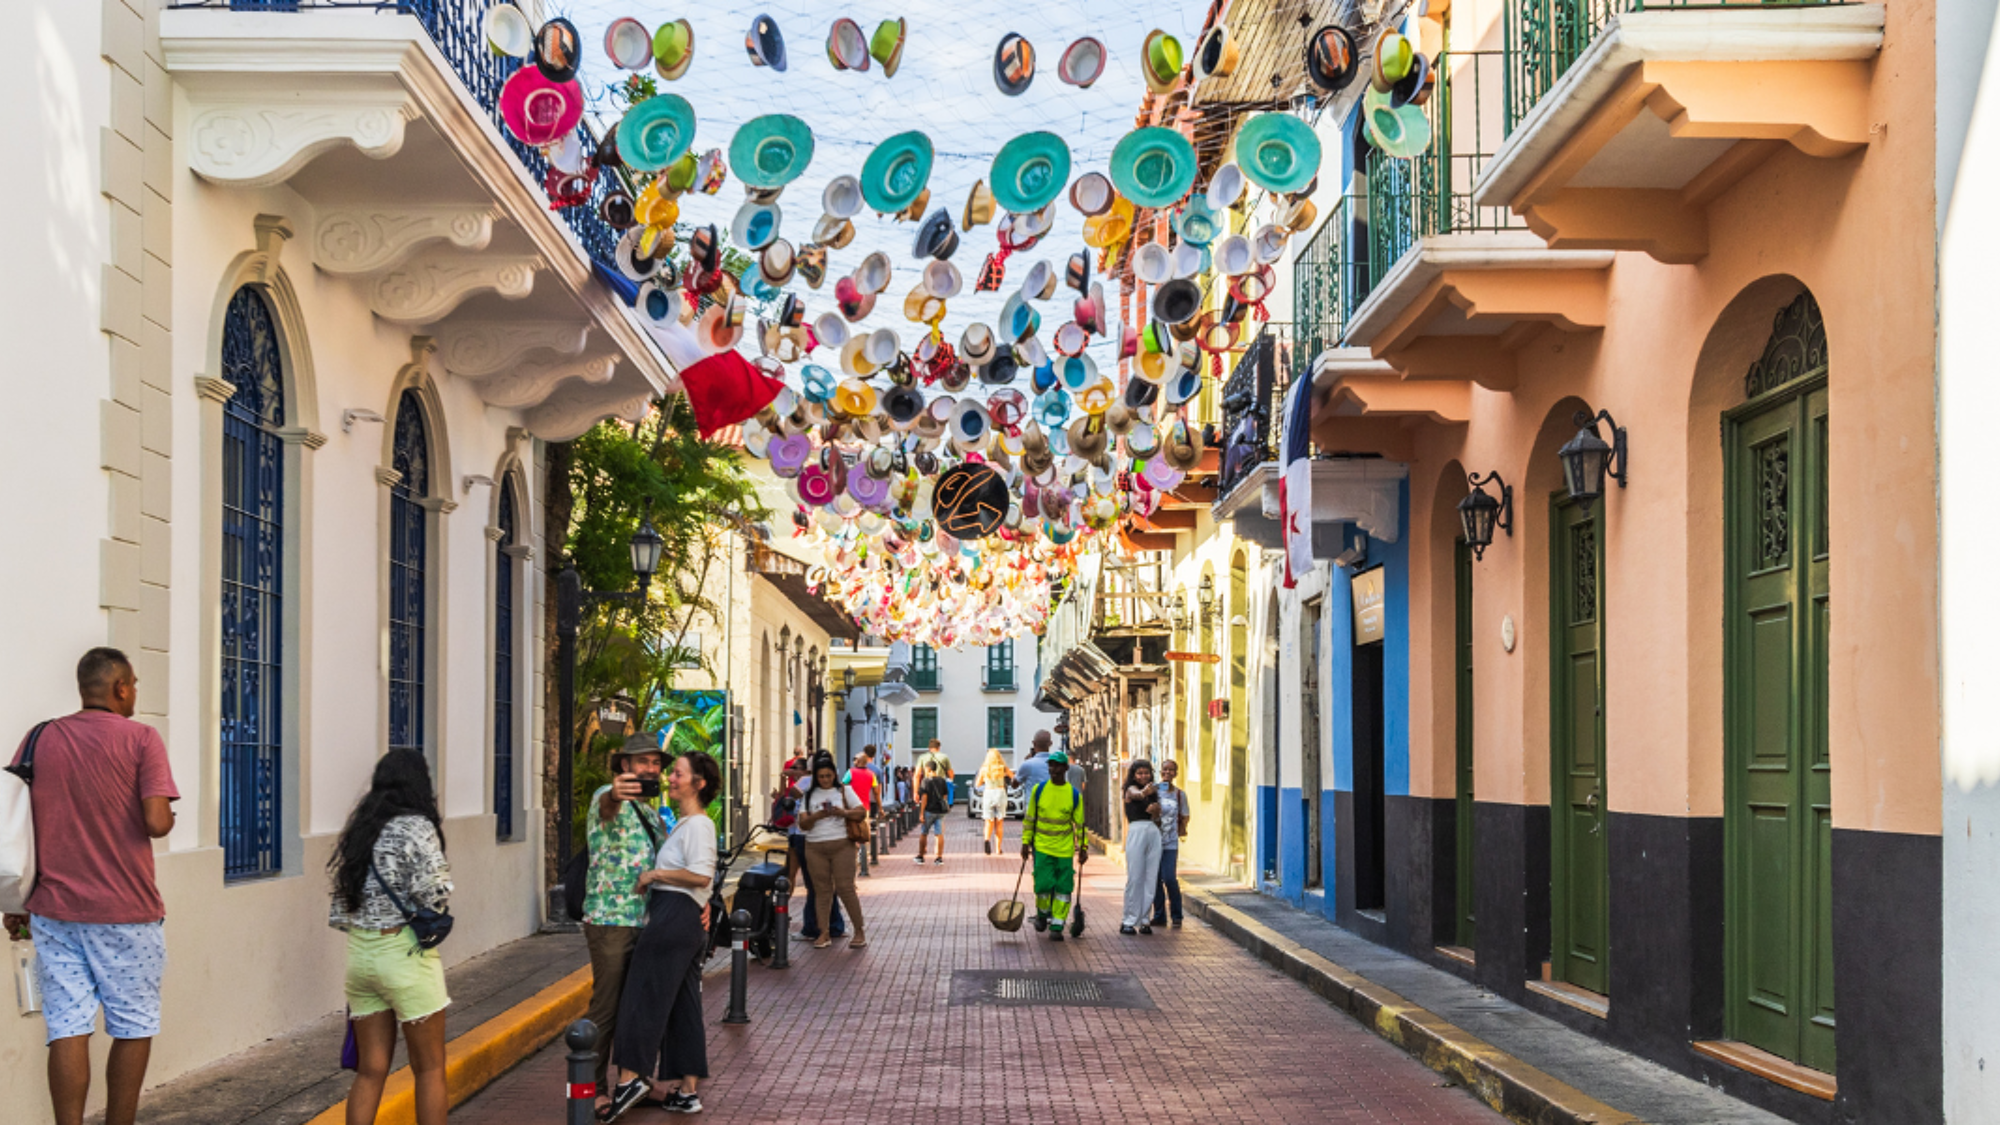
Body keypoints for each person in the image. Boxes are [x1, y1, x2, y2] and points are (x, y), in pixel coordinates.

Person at [4, 648, 179, 1125]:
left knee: (66, 1028)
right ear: (121, 687)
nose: (136, 694)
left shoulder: (40, 738)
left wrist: (14, 900)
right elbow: (156, 821)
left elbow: (19, 823)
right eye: (135, 685)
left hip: (55, 911)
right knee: (133, 1025)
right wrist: (168, 814)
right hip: (127, 911)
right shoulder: (142, 739)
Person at [327, 749, 451, 1125]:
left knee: (370, 1070)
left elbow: (340, 906)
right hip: (404, 955)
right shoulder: (417, 827)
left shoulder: (362, 829)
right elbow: (434, 893)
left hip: (360, 956)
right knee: (429, 1069)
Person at [610, 753, 723, 1117]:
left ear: (698, 784)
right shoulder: (686, 824)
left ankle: (631, 1078)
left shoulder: (698, 826)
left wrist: (653, 876)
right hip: (682, 919)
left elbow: (701, 876)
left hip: (672, 919)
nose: (670, 778)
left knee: (643, 996)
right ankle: (686, 1090)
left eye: (678, 774)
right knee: (683, 1006)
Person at [581, 733, 672, 1119]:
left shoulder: (650, 812)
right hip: (610, 920)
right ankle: (591, 1090)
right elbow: (606, 806)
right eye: (643, 762)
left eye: (656, 764)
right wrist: (616, 794)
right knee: (606, 1005)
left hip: (644, 920)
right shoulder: (608, 796)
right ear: (624, 766)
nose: (650, 769)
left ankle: (634, 1081)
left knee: (636, 1007)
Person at [797, 753, 868, 949]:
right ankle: (823, 932)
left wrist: (843, 812)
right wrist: (816, 816)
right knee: (821, 891)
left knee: (845, 888)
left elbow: (861, 812)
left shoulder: (844, 790)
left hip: (841, 844)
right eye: (821, 776)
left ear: (834, 775)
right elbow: (803, 824)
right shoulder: (809, 795)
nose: (825, 780)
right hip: (815, 846)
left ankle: (859, 930)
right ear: (815, 777)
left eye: (829, 776)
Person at [1020, 749, 1087, 941]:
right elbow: (1030, 818)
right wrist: (1026, 842)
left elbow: (1080, 825)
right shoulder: (1039, 790)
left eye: (1057, 765)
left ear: (1066, 768)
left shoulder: (1074, 795)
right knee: (1042, 884)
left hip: (1064, 850)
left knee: (1063, 887)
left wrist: (1083, 848)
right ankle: (1042, 914)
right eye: (1051, 765)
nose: (1054, 769)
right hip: (1042, 847)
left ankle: (1057, 924)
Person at [777, 756, 844, 941]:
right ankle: (835, 925)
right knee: (827, 884)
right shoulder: (834, 784)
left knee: (813, 884)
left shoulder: (807, 781)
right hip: (828, 837)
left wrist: (799, 778)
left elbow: (792, 795)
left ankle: (812, 927)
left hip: (805, 837)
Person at [1119, 760, 1163, 935]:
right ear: (1133, 775)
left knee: (1150, 877)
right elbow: (1136, 795)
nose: (1143, 776)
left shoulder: (1154, 793)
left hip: (1153, 831)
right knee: (1135, 877)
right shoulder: (1130, 789)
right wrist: (1146, 792)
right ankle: (1128, 920)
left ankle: (1145, 919)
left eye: (1146, 773)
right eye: (1140, 773)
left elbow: (1157, 818)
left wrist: (1157, 813)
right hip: (1137, 831)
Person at [1151, 759, 1190, 929]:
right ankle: (1159, 915)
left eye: (1171, 770)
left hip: (1170, 843)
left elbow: (1186, 815)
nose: (1167, 773)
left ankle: (1177, 914)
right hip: (1153, 843)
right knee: (1155, 879)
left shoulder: (1180, 794)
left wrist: (1180, 828)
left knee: (1169, 878)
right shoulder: (1153, 791)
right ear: (1161, 772)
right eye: (1165, 770)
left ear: (1176, 773)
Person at [975, 748, 1013, 855]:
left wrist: (985, 782)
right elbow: (1013, 778)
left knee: (988, 821)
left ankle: (987, 840)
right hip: (1000, 793)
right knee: (999, 822)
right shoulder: (1003, 768)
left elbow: (977, 784)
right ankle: (998, 848)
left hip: (988, 793)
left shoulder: (984, 769)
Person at [913, 760, 950, 864]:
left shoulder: (925, 781)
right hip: (940, 811)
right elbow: (945, 795)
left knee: (924, 832)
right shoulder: (942, 780)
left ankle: (920, 856)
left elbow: (924, 797)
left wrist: (921, 813)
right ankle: (939, 857)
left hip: (929, 810)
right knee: (939, 833)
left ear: (928, 769)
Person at [916, 738, 954, 804]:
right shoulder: (944, 757)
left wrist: (915, 792)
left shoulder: (922, 757)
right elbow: (951, 775)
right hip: (940, 786)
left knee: (927, 806)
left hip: (927, 785)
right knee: (941, 807)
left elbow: (916, 775)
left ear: (929, 748)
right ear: (939, 747)